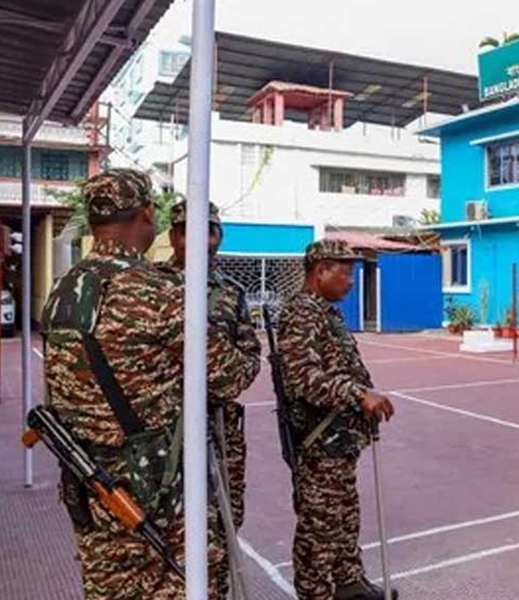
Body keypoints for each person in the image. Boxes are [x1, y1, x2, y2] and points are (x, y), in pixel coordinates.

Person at [41, 169, 245, 599]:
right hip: (155, 489)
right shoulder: (158, 291)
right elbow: (230, 375)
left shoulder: (62, 289)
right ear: (147, 214)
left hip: (89, 483)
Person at [277, 239, 397, 600]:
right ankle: (316, 593)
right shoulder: (302, 313)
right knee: (320, 529)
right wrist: (359, 394)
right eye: (344, 273)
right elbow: (304, 379)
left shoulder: (326, 313)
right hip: (319, 442)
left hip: (338, 440)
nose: (351, 281)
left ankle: (349, 584)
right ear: (320, 271)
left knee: (344, 518)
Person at [165, 199, 261, 597]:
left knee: (223, 521)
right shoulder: (153, 287)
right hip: (164, 431)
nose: (201, 240)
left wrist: (220, 377)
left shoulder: (231, 293)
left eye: (209, 231)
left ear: (219, 237)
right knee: (171, 523)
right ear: (174, 236)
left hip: (220, 429)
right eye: (188, 231)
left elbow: (250, 356)